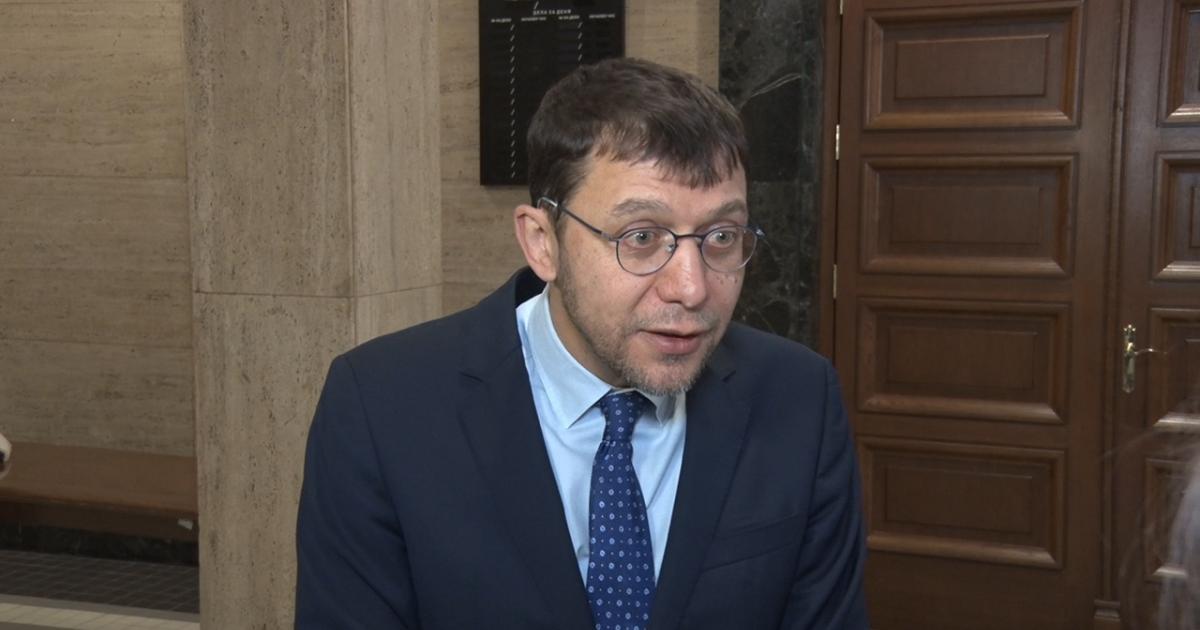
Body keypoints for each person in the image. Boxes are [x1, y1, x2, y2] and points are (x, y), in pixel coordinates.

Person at [295, 57, 868, 629]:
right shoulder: (380, 407)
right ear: (542, 242)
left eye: (720, 236)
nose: (692, 288)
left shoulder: (801, 397)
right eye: (641, 237)